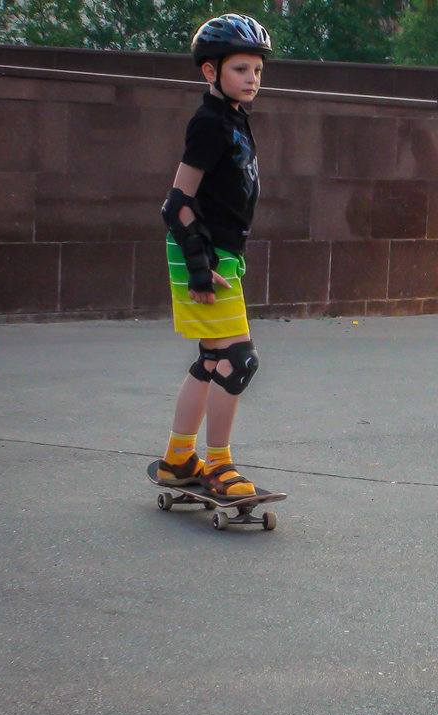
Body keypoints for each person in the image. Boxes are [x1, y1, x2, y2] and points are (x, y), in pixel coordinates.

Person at [156, 14, 272, 498]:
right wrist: (201, 271)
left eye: (258, 71)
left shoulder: (232, 120)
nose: (252, 79)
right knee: (238, 360)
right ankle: (218, 465)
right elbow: (177, 204)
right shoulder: (210, 122)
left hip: (219, 252)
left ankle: (179, 458)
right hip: (204, 255)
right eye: (241, 69)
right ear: (211, 72)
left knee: (211, 358)